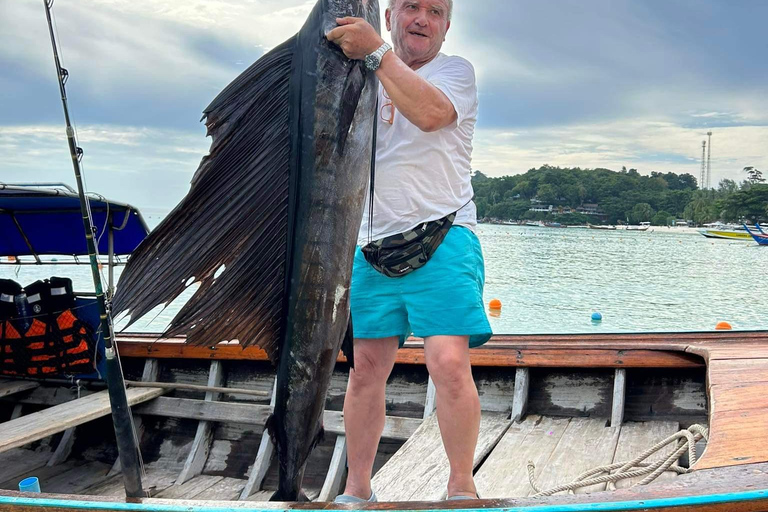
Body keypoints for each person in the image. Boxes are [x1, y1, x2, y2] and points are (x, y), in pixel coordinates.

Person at [326, 0, 491, 502]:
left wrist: (376, 51)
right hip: (371, 245)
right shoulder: (358, 75)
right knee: (364, 371)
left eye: (435, 11)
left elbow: (433, 114)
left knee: (447, 362)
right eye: (412, 7)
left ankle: (461, 486)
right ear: (391, 14)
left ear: (447, 25)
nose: (422, 19)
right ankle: (357, 488)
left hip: (444, 234)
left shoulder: (454, 72)